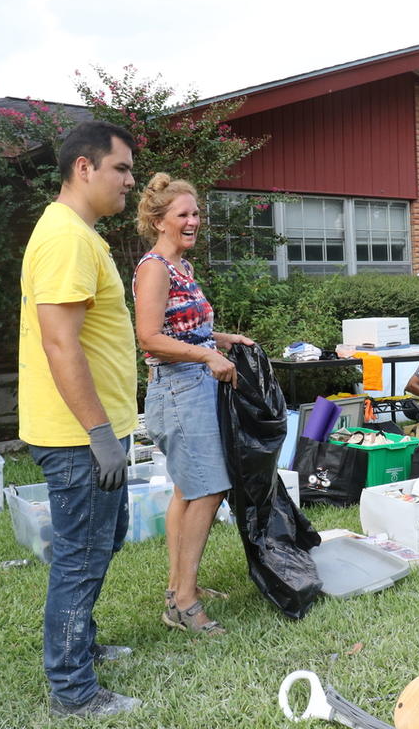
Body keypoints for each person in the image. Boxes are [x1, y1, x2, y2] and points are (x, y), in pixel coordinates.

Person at [18, 121, 142, 718]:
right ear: (84, 168)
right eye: (121, 169)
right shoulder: (67, 237)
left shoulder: (78, 233)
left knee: (102, 539)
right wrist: (99, 435)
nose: (131, 181)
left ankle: (81, 645)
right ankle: (74, 689)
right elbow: (60, 345)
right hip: (78, 438)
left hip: (95, 432)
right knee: (83, 553)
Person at [132, 172, 253, 637]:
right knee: (208, 488)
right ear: (159, 220)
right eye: (182, 214)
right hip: (178, 388)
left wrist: (223, 339)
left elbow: (183, 328)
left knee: (188, 488)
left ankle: (180, 586)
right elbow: (149, 337)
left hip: (194, 384)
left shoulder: (182, 267)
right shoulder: (155, 267)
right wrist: (207, 354)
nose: (193, 221)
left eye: (196, 213)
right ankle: (184, 603)